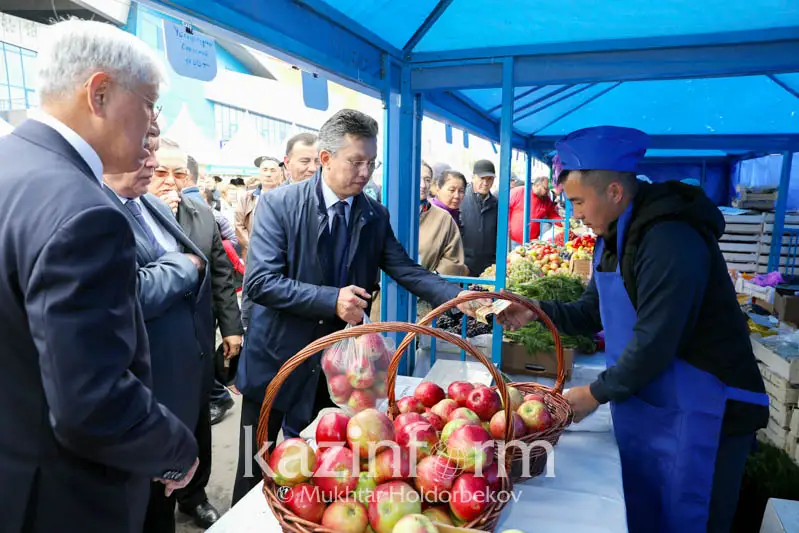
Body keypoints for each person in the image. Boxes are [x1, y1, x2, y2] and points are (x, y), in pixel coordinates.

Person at [499, 126, 769, 533]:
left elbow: (657, 339)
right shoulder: (611, 239)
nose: (577, 214)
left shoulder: (670, 238)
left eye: (577, 202)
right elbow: (593, 312)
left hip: (710, 408)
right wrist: (537, 309)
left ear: (613, 192)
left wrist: (593, 394)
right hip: (660, 402)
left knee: (693, 518)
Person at [0, 19, 198, 533]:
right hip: (65, 497)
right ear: (101, 93)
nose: (153, 124)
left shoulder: (11, 167)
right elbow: (90, 399)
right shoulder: (84, 209)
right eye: (150, 104)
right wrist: (176, 450)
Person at [232, 109, 486, 504]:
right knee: (256, 467)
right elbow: (261, 283)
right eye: (356, 161)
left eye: (372, 162)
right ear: (325, 159)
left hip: (336, 369)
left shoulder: (371, 213)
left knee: (321, 472)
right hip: (277, 358)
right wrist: (330, 299)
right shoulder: (280, 205)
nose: (365, 172)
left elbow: (404, 268)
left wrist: (455, 297)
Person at [102, 128, 212, 533]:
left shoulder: (151, 204)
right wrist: (182, 266)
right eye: (143, 148)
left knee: (162, 507)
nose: (150, 161)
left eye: (154, 147)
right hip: (142, 389)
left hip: (186, 374)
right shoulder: (94, 211)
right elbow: (126, 294)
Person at [152, 139, 245, 528]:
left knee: (197, 422)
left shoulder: (201, 213)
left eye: (178, 174)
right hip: (154, 345)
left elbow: (222, 276)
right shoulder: (130, 214)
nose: (169, 182)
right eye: (160, 172)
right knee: (159, 425)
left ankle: (195, 495)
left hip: (199, 340)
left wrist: (232, 329)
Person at [419, 162, 468, 276]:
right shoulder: (388, 213)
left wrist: (432, 279)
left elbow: (452, 260)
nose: (423, 185)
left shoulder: (444, 218)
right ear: (437, 189)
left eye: (427, 179)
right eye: (452, 190)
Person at [460, 159, 498, 276]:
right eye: (482, 178)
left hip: (487, 268)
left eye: (489, 179)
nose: (486, 183)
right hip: (463, 265)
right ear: (473, 178)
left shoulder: (496, 204)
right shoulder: (460, 199)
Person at [509, 175, 561, 245]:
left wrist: (562, 223)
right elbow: (506, 210)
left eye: (548, 189)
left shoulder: (546, 199)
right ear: (537, 185)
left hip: (533, 241)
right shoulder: (519, 191)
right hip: (514, 240)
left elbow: (552, 214)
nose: (547, 192)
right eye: (545, 189)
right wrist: (508, 228)